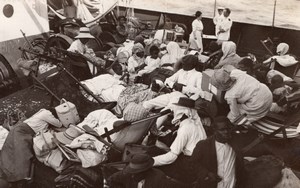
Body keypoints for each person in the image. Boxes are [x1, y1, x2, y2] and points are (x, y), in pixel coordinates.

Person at [152, 97, 207, 183]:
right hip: (201, 159)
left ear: (180, 111)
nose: (174, 112)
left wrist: (151, 161)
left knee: (159, 168)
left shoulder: (185, 128)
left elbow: (171, 157)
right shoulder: (195, 123)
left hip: (191, 164)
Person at [0, 109, 62, 183]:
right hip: (23, 131)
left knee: (11, 149)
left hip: (20, 129)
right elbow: (59, 124)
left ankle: (7, 170)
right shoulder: (47, 113)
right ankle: (22, 175)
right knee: (23, 153)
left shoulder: (41, 112)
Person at [190, 116, 244, 188]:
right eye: (222, 130)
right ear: (214, 130)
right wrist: (207, 174)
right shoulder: (203, 145)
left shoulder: (236, 142)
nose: (226, 132)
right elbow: (193, 163)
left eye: (228, 129)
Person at [108, 154, 176, 188]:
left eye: (136, 172)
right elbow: (111, 180)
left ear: (146, 171)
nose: (132, 175)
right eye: (132, 171)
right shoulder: (127, 174)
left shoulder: (159, 178)